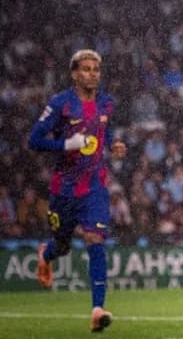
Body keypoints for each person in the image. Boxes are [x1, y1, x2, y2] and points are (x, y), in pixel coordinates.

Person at [28, 49, 128, 333]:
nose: (92, 74)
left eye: (96, 69)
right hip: (64, 189)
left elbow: (105, 130)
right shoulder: (60, 104)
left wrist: (114, 144)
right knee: (62, 245)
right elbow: (34, 140)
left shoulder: (106, 102)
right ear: (74, 74)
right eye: (86, 69)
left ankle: (98, 309)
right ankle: (46, 254)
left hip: (95, 186)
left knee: (95, 238)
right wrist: (65, 145)